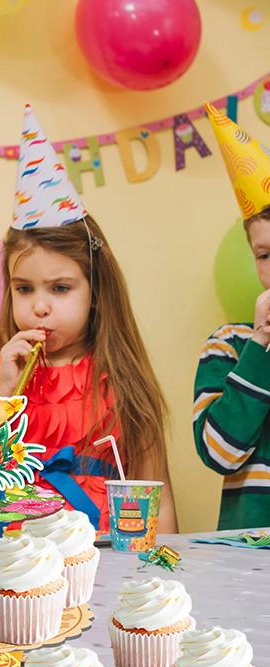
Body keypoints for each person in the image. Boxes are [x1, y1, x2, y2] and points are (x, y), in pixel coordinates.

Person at [0, 105, 177, 533]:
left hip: (104, 565)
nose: (40, 306)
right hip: (13, 570)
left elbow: (158, 506)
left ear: (95, 292)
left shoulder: (121, 381)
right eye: (24, 288)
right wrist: (3, 395)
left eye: (61, 288)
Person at [192, 106, 270, 530]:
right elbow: (220, 454)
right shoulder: (229, 346)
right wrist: (259, 349)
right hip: (249, 562)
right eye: (265, 254)